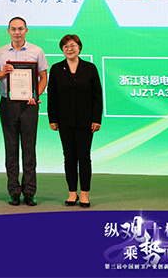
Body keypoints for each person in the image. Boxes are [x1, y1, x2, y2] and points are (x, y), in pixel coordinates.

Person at [0, 17, 48, 206]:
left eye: (20, 29)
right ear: (8, 31)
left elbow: (43, 77)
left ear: (26, 30)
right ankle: (14, 191)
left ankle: (29, 191)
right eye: (13, 29)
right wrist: (1, 73)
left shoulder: (36, 51)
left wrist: (35, 95)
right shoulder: (0, 52)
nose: (17, 32)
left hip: (29, 105)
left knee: (29, 149)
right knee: (11, 148)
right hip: (8, 104)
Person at [47, 34, 102, 208]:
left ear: (79, 48)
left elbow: (97, 96)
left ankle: (84, 193)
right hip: (64, 121)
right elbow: (52, 96)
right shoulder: (56, 69)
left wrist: (96, 119)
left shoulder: (90, 68)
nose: (69, 49)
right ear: (62, 50)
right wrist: (53, 119)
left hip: (86, 121)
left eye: (72, 45)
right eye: (66, 47)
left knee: (84, 157)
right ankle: (72, 193)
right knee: (69, 157)